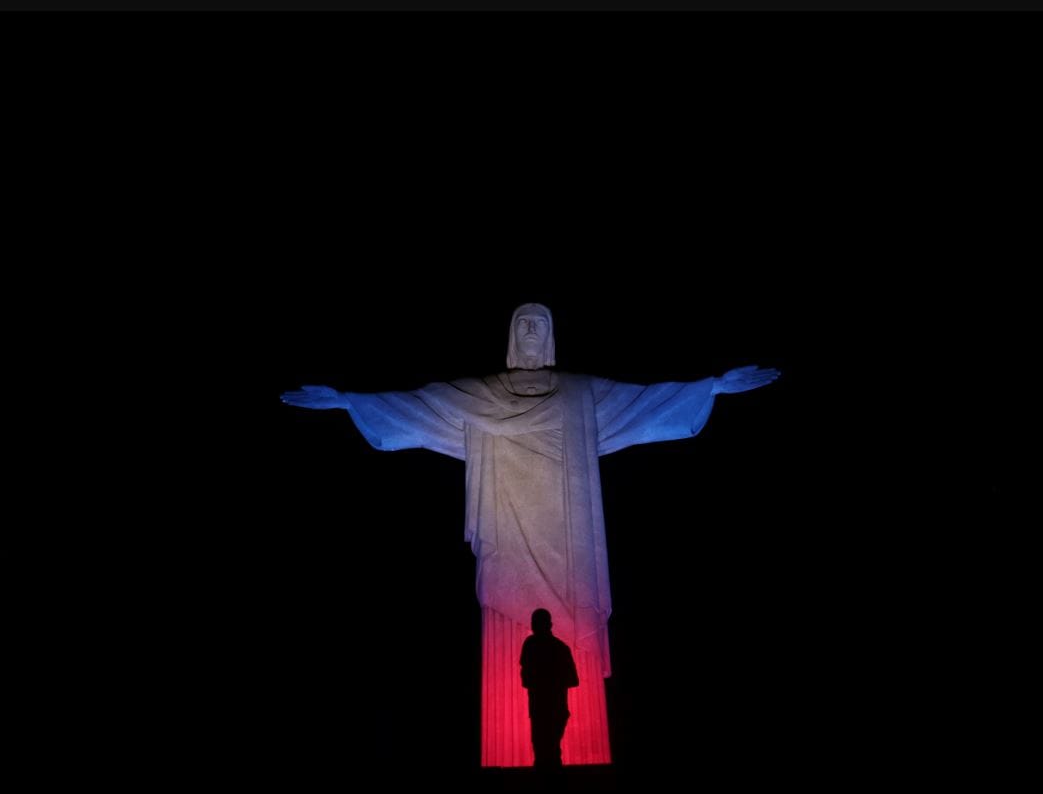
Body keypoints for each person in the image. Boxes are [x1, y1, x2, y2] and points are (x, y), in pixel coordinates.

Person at [281, 303, 779, 766]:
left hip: (570, 541)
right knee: (516, 674)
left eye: (540, 321)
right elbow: (419, 407)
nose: (531, 330)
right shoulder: (482, 395)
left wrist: (710, 386)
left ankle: (567, 752)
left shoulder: (582, 394)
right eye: (523, 322)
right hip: (508, 534)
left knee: (568, 690)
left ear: (552, 336)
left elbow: (645, 403)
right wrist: (349, 401)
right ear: (511, 337)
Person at [520, 608, 579, 770]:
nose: (533, 627)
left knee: (543, 752)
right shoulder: (561, 648)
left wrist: (541, 681)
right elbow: (573, 680)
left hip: (541, 709)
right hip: (556, 709)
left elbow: (525, 679)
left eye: (535, 623)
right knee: (551, 752)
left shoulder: (530, 645)